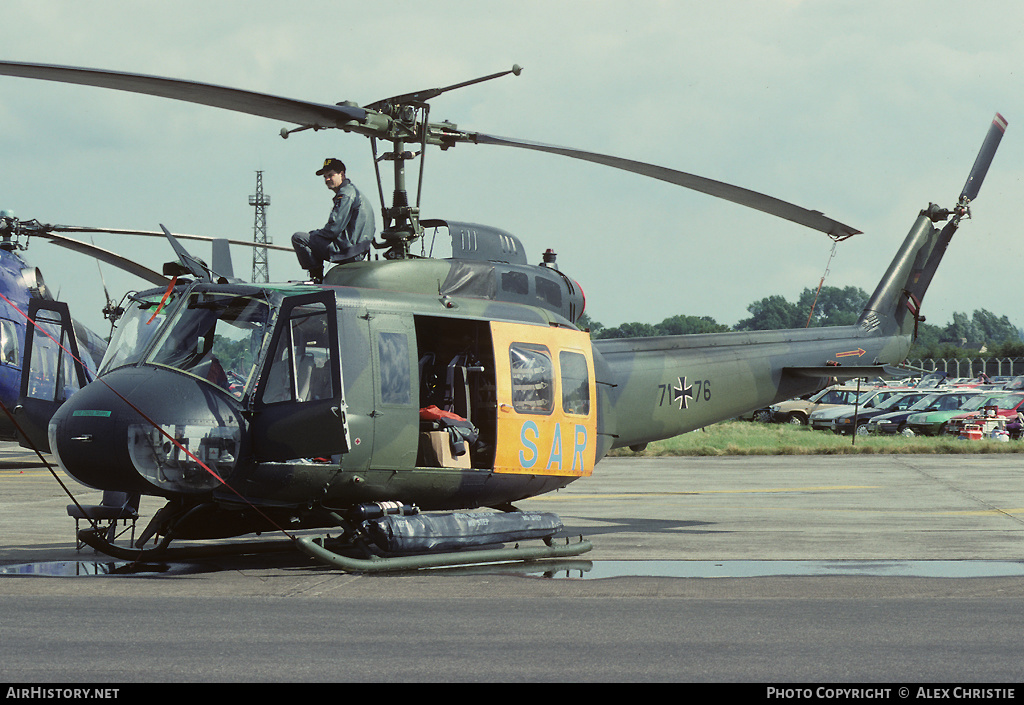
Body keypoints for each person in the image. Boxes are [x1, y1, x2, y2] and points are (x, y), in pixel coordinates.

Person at [292, 158, 375, 283]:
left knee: (299, 238)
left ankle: (316, 278)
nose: (327, 179)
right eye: (325, 177)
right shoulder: (353, 192)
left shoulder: (346, 195)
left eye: (330, 175)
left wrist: (314, 234)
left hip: (347, 250)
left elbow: (333, 229)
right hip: (357, 249)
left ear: (341, 174)